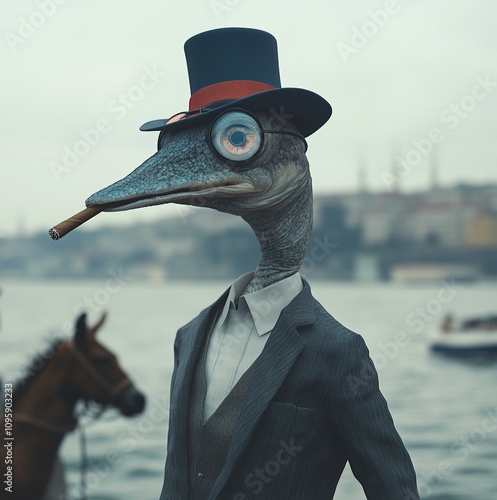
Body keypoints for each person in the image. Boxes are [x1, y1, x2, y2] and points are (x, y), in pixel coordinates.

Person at [84, 28, 419, 499]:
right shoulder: (191, 334)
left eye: (237, 137)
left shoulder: (338, 352)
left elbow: (395, 488)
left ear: (294, 153)